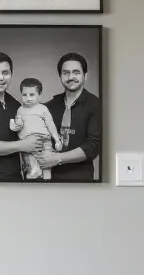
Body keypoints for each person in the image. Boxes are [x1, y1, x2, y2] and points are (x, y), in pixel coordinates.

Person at [0, 51, 49, 181]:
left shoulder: (15, 104)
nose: (1, 78)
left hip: (17, 177)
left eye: (5, 73)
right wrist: (23, 144)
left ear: (11, 74)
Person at [37, 52, 102, 182]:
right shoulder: (49, 106)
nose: (70, 77)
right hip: (47, 178)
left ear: (85, 75)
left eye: (76, 72)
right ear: (60, 76)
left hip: (79, 180)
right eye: (66, 73)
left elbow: (93, 146)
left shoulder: (97, 105)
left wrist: (57, 159)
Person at [10, 77, 60, 181]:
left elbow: (50, 124)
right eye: (24, 95)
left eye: (32, 95)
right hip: (26, 142)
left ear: (39, 95)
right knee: (29, 163)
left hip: (44, 140)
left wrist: (57, 140)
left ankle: (47, 179)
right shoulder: (20, 110)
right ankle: (33, 175)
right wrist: (15, 126)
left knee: (46, 160)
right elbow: (18, 126)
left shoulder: (42, 109)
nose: (28, 98)